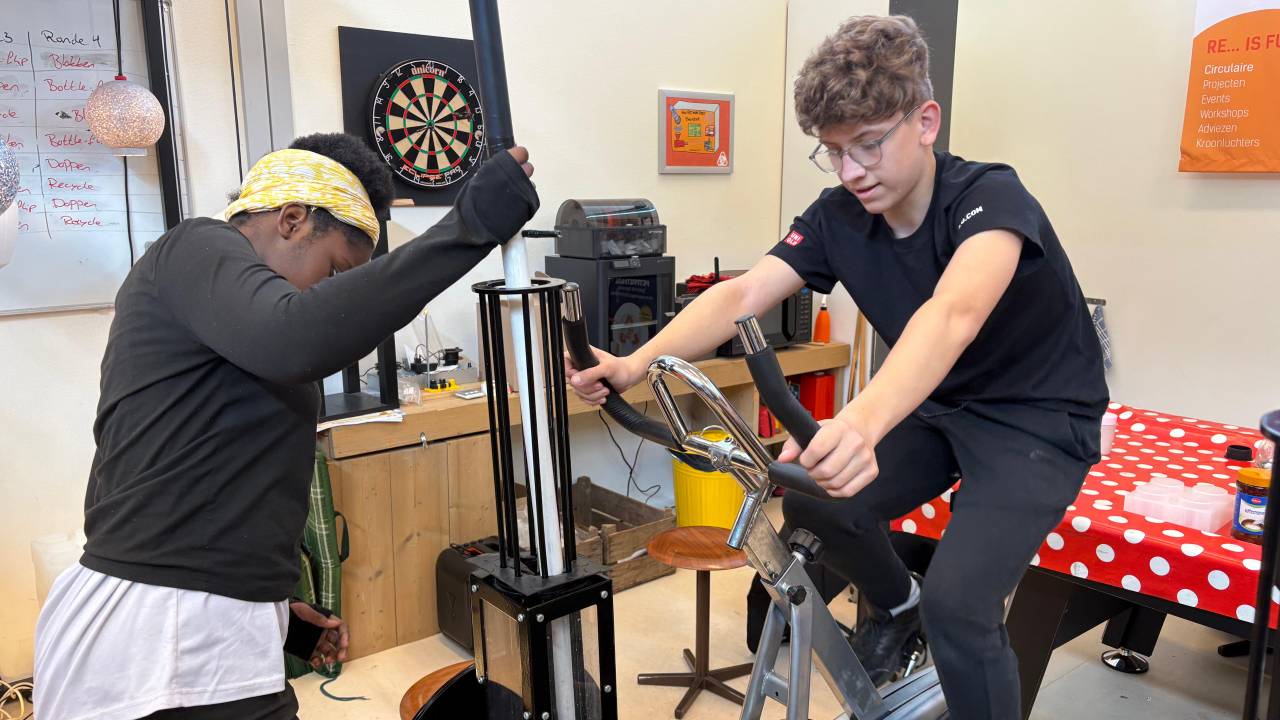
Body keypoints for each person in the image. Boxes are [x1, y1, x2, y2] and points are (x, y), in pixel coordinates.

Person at [566, 15, 1106, 719]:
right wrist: (635, 362)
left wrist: (857, 422)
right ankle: (896, 605)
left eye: (870, 145)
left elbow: (952, 315)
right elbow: (741, 294)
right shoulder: (839, 217)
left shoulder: (989, 198)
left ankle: (936, 622)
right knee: (817, 499)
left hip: (1036, 415)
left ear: (926, 121)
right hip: (941, 403)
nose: (852, 171)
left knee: (962, 607)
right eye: (834, 152)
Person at [33, 132, 538, 720]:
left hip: (209, 624)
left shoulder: (238, 319)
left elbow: (225, 469)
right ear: (293, 220)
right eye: (331, 273)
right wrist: (467, 227)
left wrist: (274, 610)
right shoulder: (193, 247)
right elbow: (296, 336)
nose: (327, 294)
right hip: (154, 633)